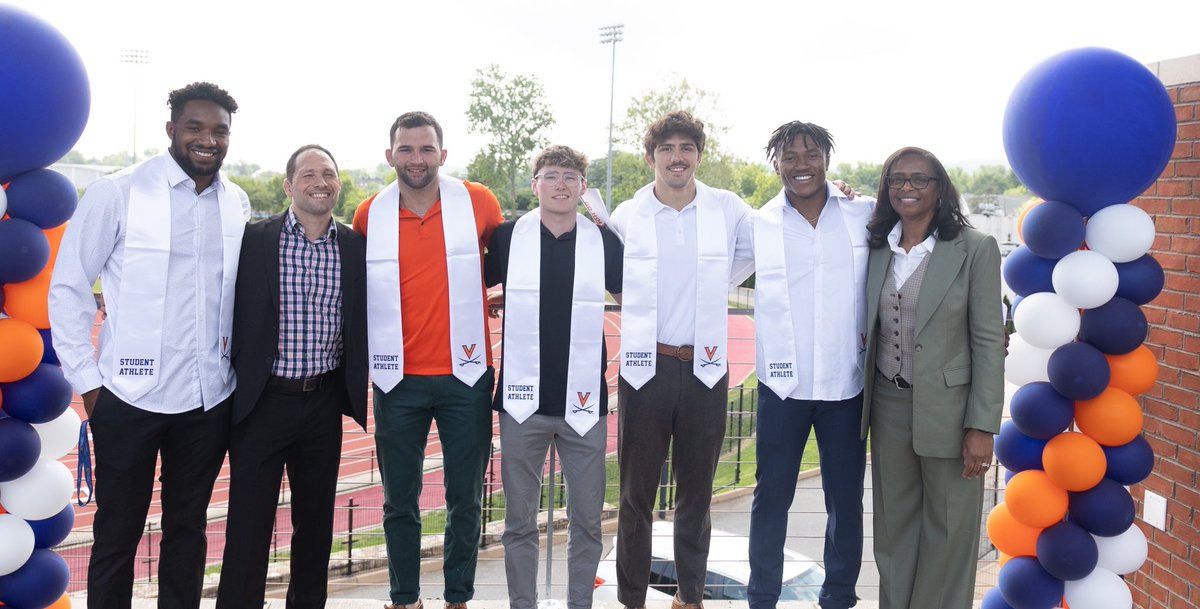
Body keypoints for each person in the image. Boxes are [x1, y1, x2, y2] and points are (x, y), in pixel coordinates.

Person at [49, 82, 250, 609]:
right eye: (195, 127)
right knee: (117, 536)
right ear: (171, 130)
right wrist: (90, 385)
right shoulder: (118, 192)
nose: (208, 139)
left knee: (188, 534)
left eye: (219, 130)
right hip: (128, 399)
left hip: (208, 400)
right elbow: (69, 287)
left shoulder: (237, 202)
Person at [352, 111, 503, 609]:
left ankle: (458, 597)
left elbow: (511, 263)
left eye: (426, 149)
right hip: (398, 381)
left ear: (443, 153)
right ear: (390, 154)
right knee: (400, 502)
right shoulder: (368, 213)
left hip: (466, 377)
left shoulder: (478, 202)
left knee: (465, 500)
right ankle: (405, 599)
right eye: (406, 149)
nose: (416, 159)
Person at [606, 111, 754, 609]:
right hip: (645, 369)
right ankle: (632, 599)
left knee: (696, 494)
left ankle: (689, 597)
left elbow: (765, 243)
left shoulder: (728, 209)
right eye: (667, 148)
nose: (677, 157)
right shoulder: (629, 214)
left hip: (705, 371)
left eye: (686, 148)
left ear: (698, 155)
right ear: (651, 157)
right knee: (635, 497)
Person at [215, 144, 367, 609]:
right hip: (263, 402)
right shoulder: (253, 239)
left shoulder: (355, 247)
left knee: (316, 526)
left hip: (322, 402)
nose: (320, 181)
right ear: (289, 185)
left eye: (329, 173)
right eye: (308, 174)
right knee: (248, 528)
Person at [861, 147, 1003, 609]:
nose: (907, 188)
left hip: (951, 412)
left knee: (948, 536)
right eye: (897, 179)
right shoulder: (876, 245)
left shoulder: (975, 248)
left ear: (939, 188)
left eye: (920, 179)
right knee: (893, 532)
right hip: (888, 406)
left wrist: (981, 426)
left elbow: (987, 341)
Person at [484, 145, 623, 609]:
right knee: (518, 522)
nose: (560, 183)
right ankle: (522, 604)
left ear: (583, 187)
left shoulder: (603, 241)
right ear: (534, 184)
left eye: (569, 176)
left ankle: (579, 604)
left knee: (586, 521)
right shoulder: (506, 238)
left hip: (584, 404)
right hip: (522, 403)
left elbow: (635, 296)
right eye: (550, 175)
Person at [747, 122, 873, 609]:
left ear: (827, 159)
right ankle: (762, 597)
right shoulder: (757, 223)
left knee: (845, 501)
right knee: (771, 498)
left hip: (847, 383)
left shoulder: (862, 215)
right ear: (776, 163)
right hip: (783, 386)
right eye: (790, 156)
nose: (802, 164)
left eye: (811, 154)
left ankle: (839, 596)